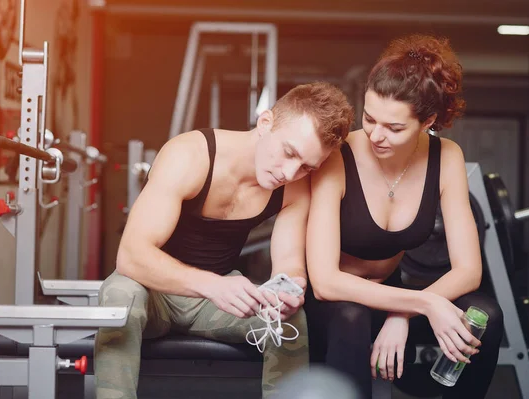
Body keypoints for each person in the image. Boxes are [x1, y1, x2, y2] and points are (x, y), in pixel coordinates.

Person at [94, 81, 355, 399]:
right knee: (121, 293)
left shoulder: (294, 187)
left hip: (215, 302)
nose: (289, 172)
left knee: (291, 320)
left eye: (305, 167)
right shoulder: (190, 155)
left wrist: (289, 289)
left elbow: (288, 262)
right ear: (265, 123)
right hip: (154, 293)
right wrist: (213, 285)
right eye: (288, 153)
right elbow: (131, 256)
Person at [304, 34, 504, 399]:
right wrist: (424, 303)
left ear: (427, 121)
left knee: (483, 315)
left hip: (394, 297)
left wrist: (403, 315)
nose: (376, 135)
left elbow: (469, 270)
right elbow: (324, 281)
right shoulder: (339, 155)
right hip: (335, 304)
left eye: (394, 128)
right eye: (369, 118)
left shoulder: (446, 157)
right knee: (353, 317)